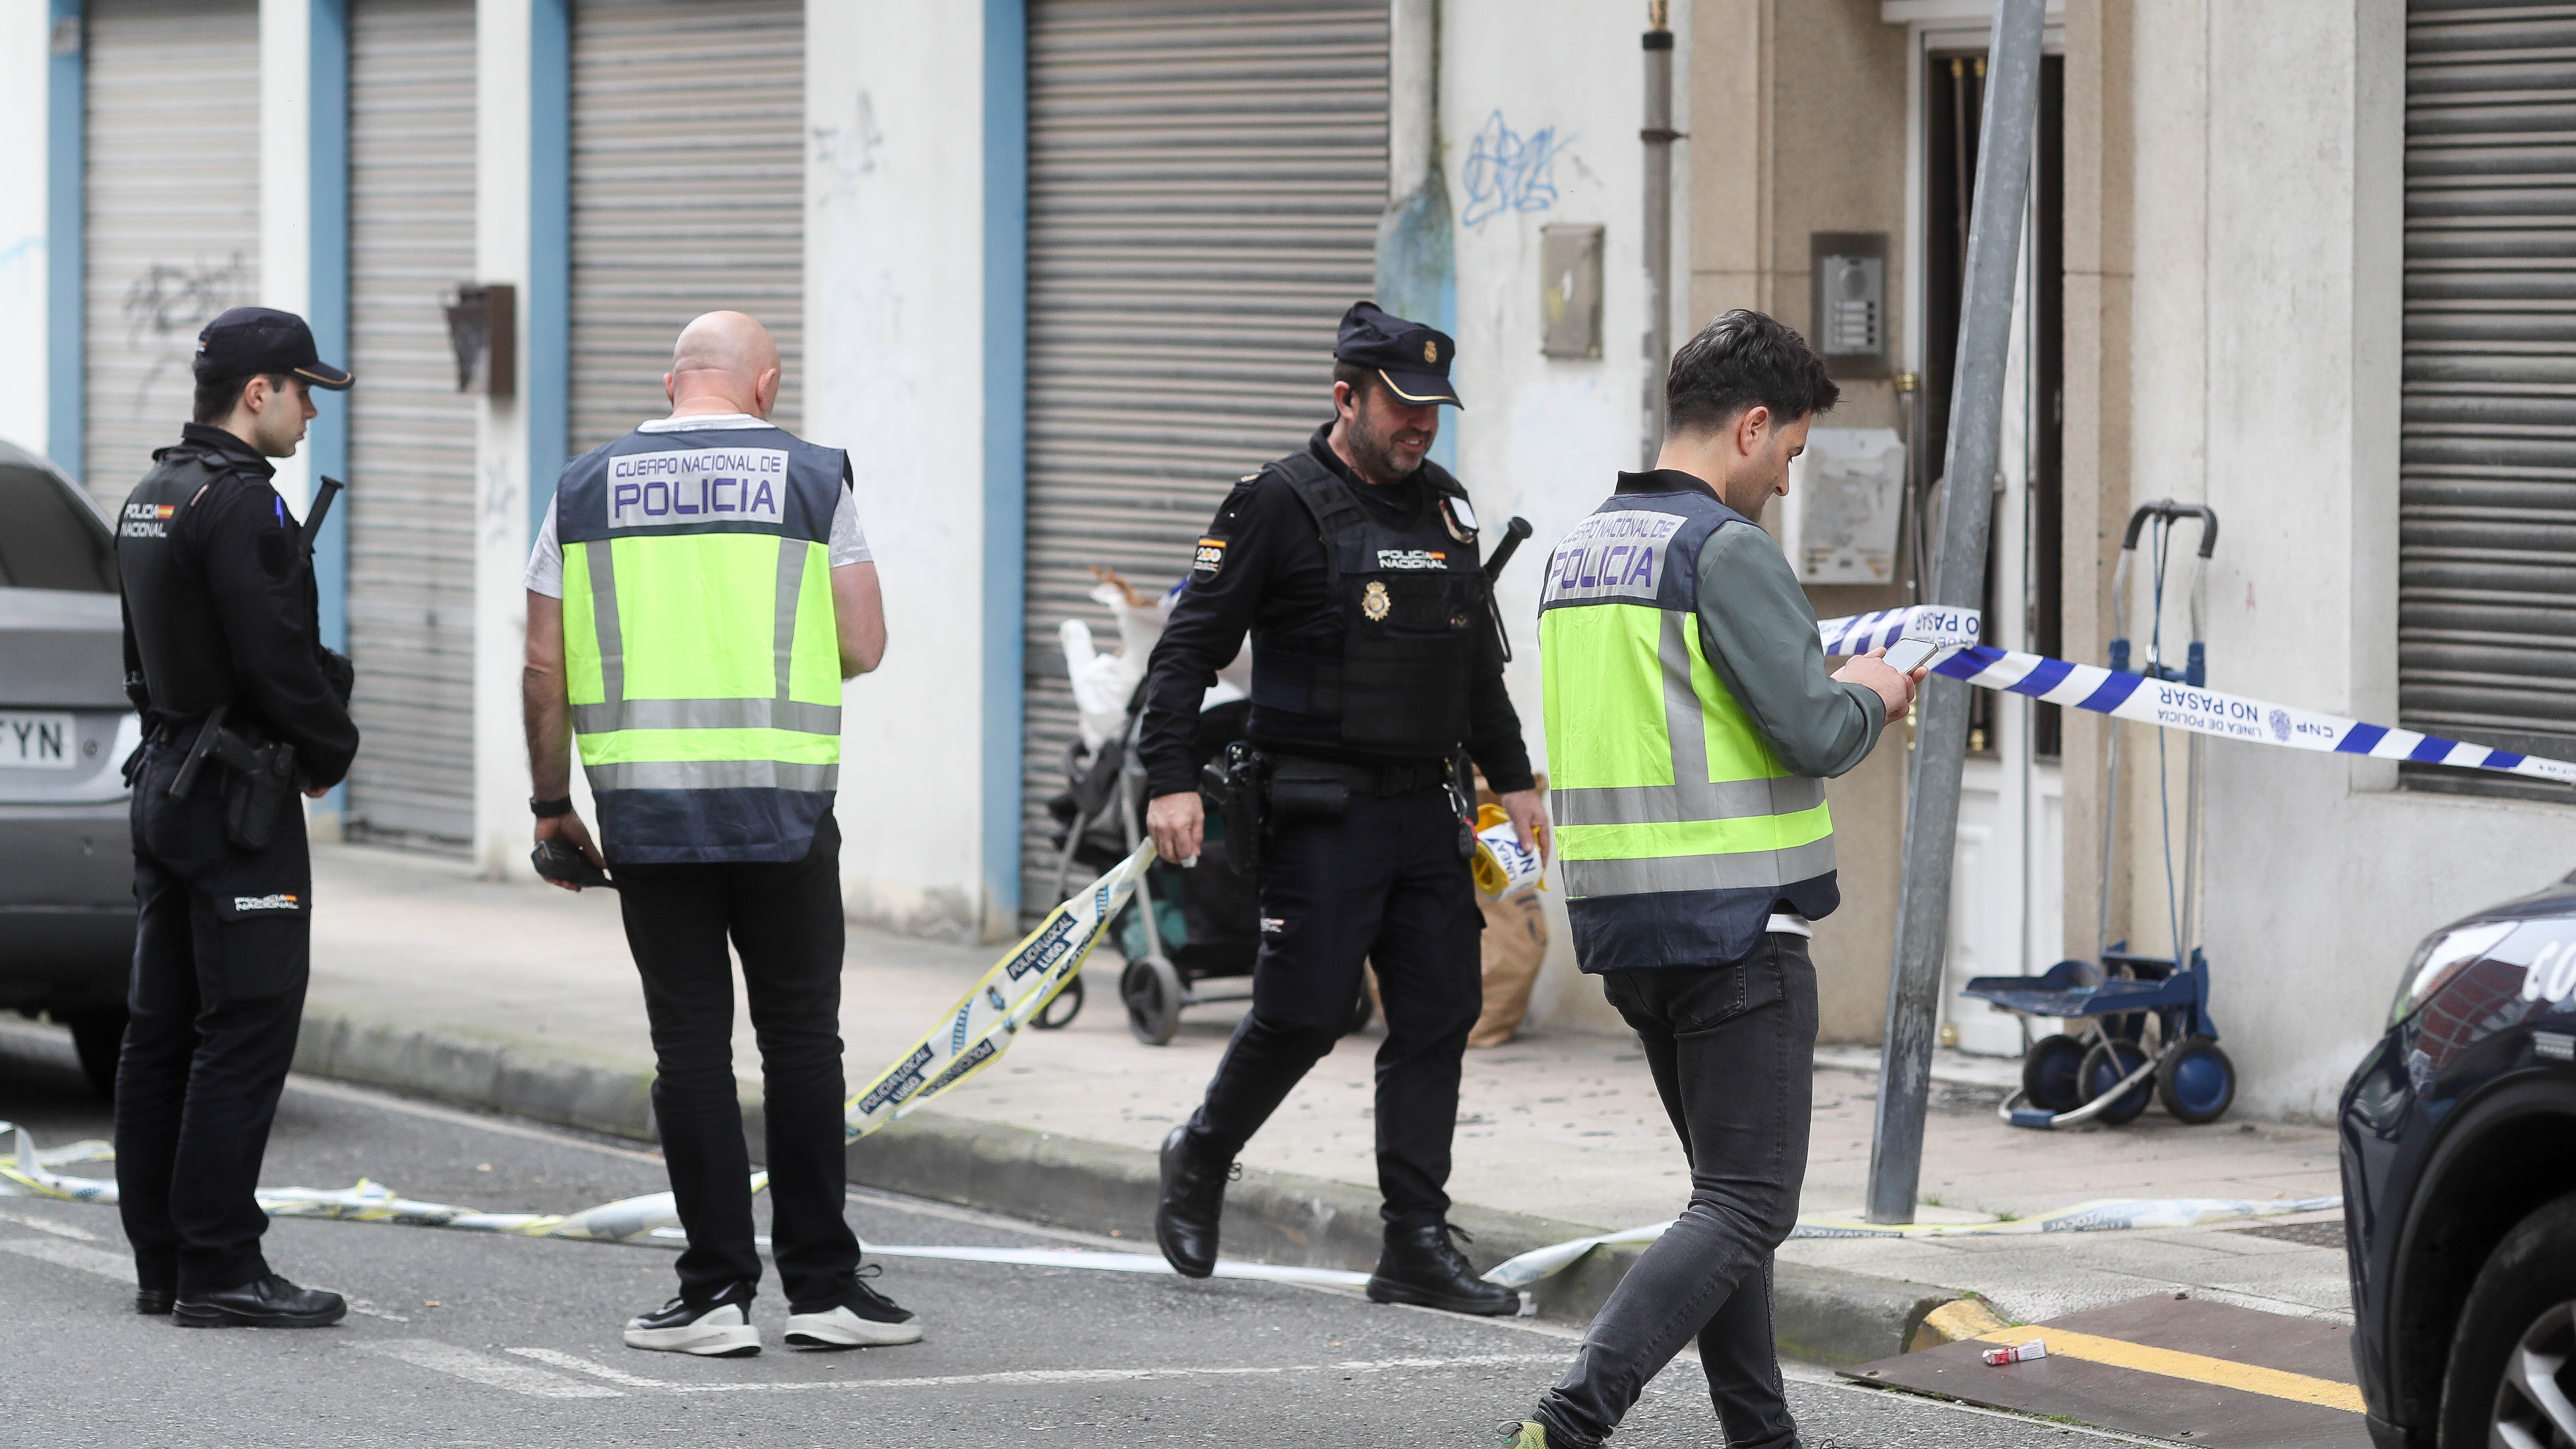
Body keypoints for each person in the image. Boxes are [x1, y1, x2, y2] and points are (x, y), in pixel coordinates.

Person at [1495, 310, 1923, 1449]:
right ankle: (1572, 1419)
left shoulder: (1583, 549)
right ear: (1749, 425)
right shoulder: (1725, 553)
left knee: (1727, 1210)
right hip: (1740, 931)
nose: (1787, 481)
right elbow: (1812, 732)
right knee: (1745, 1206)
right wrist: (1877, 690)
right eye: (1789, 453)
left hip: (1629, 935)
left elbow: (1681, 711)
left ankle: (1763, 1438)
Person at [1139, 301, 1549, 1316]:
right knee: (1305, 1014)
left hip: (1427, 812)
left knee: (1439, 1017)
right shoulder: (1274, 504)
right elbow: (1185, 654)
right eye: (1402, 407)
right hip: (1320, 810)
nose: (1420, 426)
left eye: (1433, 410)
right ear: (1346, 398)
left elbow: (1476, 670)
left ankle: (1413, 1241)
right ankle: (1199, 1157)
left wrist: (1519, 780)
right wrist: (1168, 778)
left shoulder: (1446, 509)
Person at [520, 311, 904, 1357]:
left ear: (671, 381)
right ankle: (824, 1290)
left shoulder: (584, 488)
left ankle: (715, 1297)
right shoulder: (816, 479)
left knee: (689, 1051)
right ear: (766, 387)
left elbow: (546, 667)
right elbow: (864, 645)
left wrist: (552, 805)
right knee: (800, 1045)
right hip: (782, 812)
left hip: (647, 816)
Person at [114, 306, 359, 1328]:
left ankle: (166, 1264)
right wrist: (329, 750)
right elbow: (278, 662)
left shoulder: (151, 493)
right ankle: (222, 1267)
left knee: (160, 1031)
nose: (311, 411)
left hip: (167, 780)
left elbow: (139, 655)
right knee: (244, 1029)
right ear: (257, 393)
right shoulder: (243, 506)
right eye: (304, 391)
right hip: (236, 802)